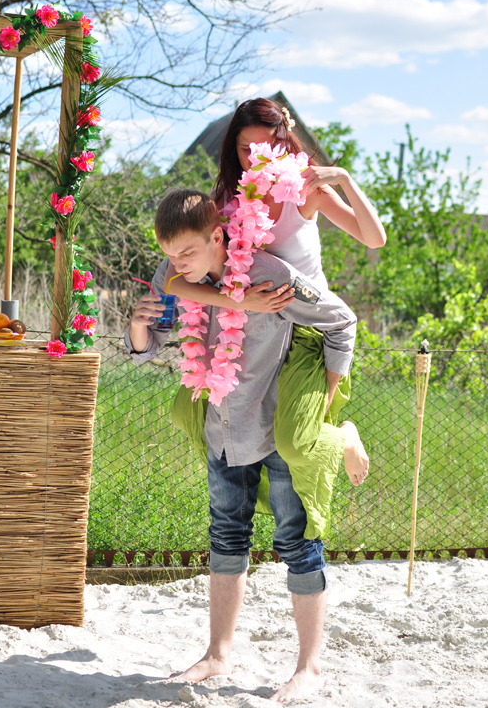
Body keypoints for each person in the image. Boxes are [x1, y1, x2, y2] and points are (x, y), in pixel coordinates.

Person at [126, 189, 368, 702]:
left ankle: (309, 667)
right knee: (226, 537)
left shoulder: (270, 275)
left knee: (297, 543)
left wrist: (325, 400)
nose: (176, 263)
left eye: (187, 252)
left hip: (274, 422)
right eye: (168, 254)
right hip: (222, 427)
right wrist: (138, 325)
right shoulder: (172, 275)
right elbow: (147, 350)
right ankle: (217, 655)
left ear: (218, 236)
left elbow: (342, 322)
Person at [164, 99, 384, 522]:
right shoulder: (226, 199)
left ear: (284, 144)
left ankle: (342, 435)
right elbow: (175, 277)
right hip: (255, 332)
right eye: (246, 149)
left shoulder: (307, 191)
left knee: (294, 441)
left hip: (309, 330)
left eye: (266, 147)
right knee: (190, 411)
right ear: (233, 150)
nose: (256, 158)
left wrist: (342, 178)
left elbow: (375, 239)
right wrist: (235, 301)